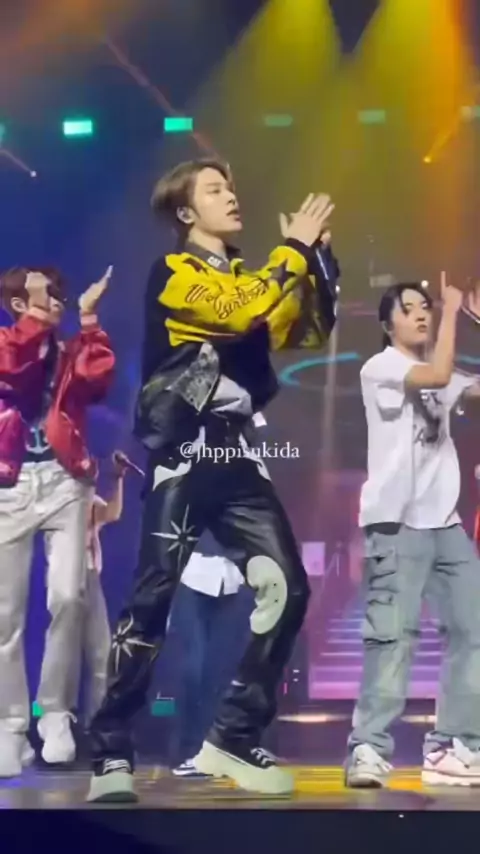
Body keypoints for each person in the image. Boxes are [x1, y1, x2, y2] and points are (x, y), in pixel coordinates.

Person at [87, 157, 338, 802]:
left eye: (230, 185)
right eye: (215, 189)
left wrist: (316, 262)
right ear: (185, 211)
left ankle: (233, 734)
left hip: (237, 454)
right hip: (185, 449)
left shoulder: (251, 277)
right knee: (152, 602)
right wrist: (291, 250)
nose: (231, 196)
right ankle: (110, 751)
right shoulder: (174, 271)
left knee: (288, 586)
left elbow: (303, 328)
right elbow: (234, 313)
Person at [345, 277, 480, 789]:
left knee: (473, 631)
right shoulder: (380, 368)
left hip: (446, 526)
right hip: (395, 524)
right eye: (409, 308)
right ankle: (368, 748)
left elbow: (459, 380)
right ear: (387, 324)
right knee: (392, 638)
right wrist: (452, 309)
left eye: (427, 306)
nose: (422, 313)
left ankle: (453, 747)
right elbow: (438, 372)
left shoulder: (441, 375)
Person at [0, 265, 114, 777]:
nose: (56, 302)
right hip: (10, 485)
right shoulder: (6, 343)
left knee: (69, 596)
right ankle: (10, 726)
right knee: (5, 614)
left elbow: (98, 380)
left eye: (58, 296)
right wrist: (37, 318)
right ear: (18, 305)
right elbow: (14, 365)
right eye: (45, 295)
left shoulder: (68, 352)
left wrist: (89, 319)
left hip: (66, 482)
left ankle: (56, 714)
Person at [36, 450, 133, 744]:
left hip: (90, 579)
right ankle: (58, 722)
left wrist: (118, 479)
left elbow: (112, 514)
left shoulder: (89, 501)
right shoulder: (55, 499)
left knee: (101, 653)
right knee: (65, 654)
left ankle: (95, 725)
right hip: (65, 578)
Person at [169, 530, 252, 777]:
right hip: (192, 575)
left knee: (221, 670)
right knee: (193, 667)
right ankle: (188, 746)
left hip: (234, 577)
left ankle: (214, 748)